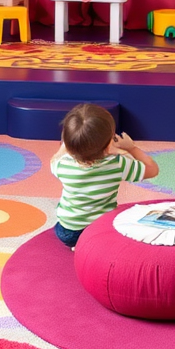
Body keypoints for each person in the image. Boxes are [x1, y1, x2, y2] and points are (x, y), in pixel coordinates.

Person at [50, 101, 159, 247]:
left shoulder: (62, 165)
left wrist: (64, 148)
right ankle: (91, 244)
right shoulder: (118, 163)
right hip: (102, 230)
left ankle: (81, 245)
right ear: (109, 143)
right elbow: (152, 169)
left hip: (69, 233)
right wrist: (131, 148)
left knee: (61, 225)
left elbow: (54, 159)